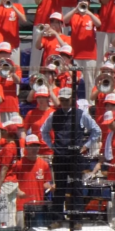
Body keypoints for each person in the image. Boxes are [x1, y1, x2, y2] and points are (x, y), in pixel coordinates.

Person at [41, 87, 102, 216]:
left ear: (72, 100)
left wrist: (86, 146)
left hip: (75, 157)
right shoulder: (54, 115)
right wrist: (52, 146)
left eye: (66, 100)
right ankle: (58, 218)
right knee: (60, 188)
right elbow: (44, 131)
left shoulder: (81, 114)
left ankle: (77, 218)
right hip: (59, 156)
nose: (64, 103)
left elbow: (96, 130)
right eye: (62, 100)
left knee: (76, 187)